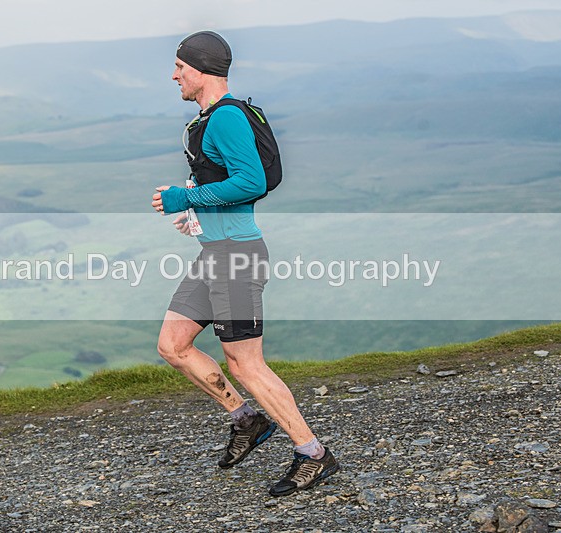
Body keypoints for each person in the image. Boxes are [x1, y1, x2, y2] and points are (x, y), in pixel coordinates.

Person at [151, 30, 338, 497]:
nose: (174, 75)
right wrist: (195, 215)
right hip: (214, 254)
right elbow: (224, 181)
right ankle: (246, 419)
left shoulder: (227, 118)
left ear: (200, 70)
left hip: (237, 257)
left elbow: (251, 183)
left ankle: (314, 454)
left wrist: (185, 196)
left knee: (245, 364)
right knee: (173, 345)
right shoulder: (207, 119)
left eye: (180, 67)